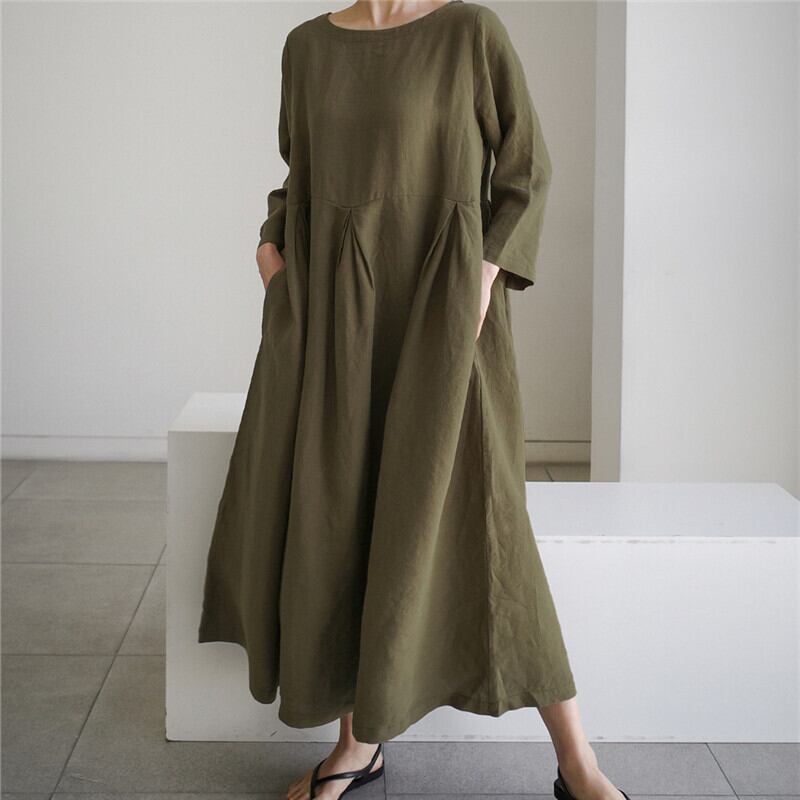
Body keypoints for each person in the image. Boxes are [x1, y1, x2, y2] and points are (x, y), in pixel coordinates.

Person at [198, 2, 632, 799]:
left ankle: (579, 764)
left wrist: (482, 276)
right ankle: (354, 748)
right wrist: (271, 252)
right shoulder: (307, 47)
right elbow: (300, 176)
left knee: (492, 528)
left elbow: (526, 172)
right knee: (342, 514)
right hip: (330, 320)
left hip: (443, 313)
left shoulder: (470, 34)